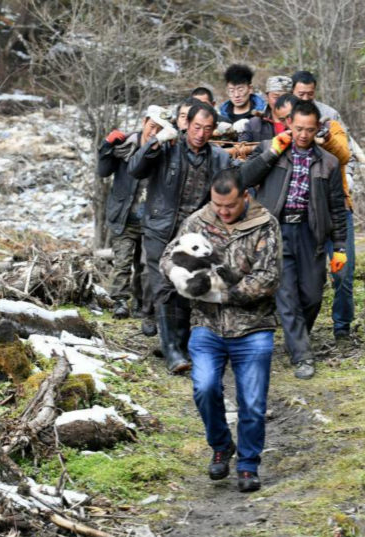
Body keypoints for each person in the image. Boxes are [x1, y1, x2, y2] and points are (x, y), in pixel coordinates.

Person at [160, 167, 282, 492]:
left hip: (253, 326)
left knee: (253, 403)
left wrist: (226, 294)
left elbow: (268, 276)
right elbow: (168, 257)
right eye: (217, 205)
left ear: (245, 196)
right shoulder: (198, 221)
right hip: (207, 325)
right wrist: (181, 279)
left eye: (229, 206)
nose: (223, 212)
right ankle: (220, 444)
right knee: (205, 387)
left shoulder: (265, 224)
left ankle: (247, 465)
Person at [241, 100, 347, 380]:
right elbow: (243, 178)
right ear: (289, 124)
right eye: (298, 128)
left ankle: (295, 338)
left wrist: (340, 248)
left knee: (312, 296)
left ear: (317, 129)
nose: (302, 135)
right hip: (275, 232)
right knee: (286, 296)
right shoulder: (271, 149)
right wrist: (271, 154)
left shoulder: (329, 162)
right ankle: (303, 356)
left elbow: (337, 207)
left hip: (310, 234)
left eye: (309, 130)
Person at [128, 102, 234, 374]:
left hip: (194, 232)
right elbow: (135, 168)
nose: (201, 133)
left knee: (188, 287)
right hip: (160, 227)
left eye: (207, 128)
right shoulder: (167, 148)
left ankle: (182, 345)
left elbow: (231, 187)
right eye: (197, 126)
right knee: (164, 284)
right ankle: (173, 350)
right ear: (186, 124)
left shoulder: (218, 157)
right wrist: (153, 143)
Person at [291, 70, 356, 342]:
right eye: (300, 94)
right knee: (305, 277)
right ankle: (300, 328)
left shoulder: (329, 120)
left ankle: (342, 326)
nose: (306, 98)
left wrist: (325, 137)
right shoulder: (284, 123)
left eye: (310, 94)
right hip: (304, 214)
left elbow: (344, 153)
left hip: (337, 209)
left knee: (343, 271)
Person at [98, 105, 174, 336]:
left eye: (160, 129)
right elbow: (103, 170)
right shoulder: (126, 144)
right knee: (122, 261)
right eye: (152, 126)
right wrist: (106, 146)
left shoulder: (165, 149)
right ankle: (120, 301)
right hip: (124, 213)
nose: (154, 132)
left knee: (144, 264)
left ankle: (142, 302)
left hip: (151, 217)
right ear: (144, 122)